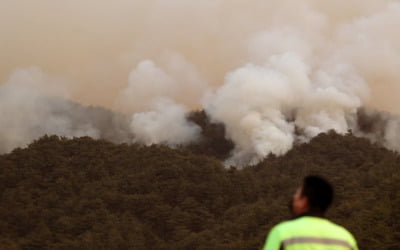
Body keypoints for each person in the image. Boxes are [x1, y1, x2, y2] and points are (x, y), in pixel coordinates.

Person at [262, 176, 358, 250]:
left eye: (297, 194)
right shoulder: (346, 238)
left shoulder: (282, 232)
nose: (294, 197)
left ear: (304, 201)